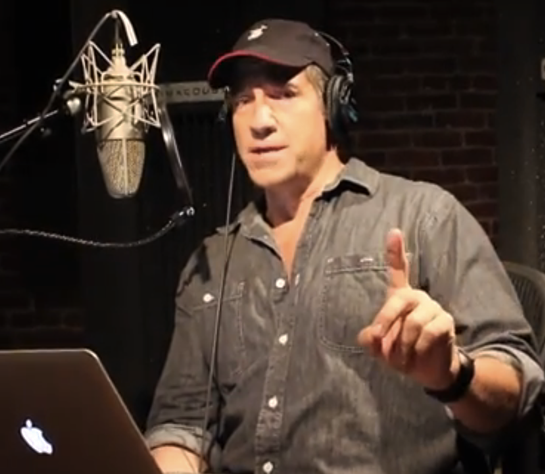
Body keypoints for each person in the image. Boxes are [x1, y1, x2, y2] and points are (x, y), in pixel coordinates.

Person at [144, 18, 545, 474]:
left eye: (283, 94)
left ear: (333, 107)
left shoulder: (426, 217)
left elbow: (518, 392)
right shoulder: (211, 263)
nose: (258, 121)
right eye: (242, 101)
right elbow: (181, 425)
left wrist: (452, 373)